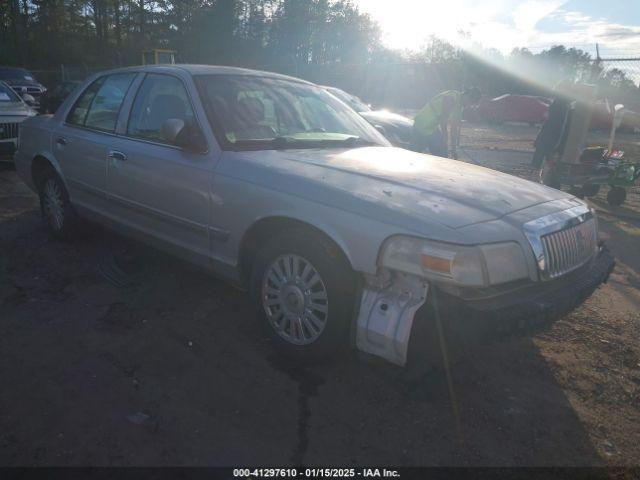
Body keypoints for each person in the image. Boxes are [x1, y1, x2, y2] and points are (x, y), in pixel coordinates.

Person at [412, 87, 481, 158]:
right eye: (471, 102)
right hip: (422, 123)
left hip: (431, 127)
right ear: (468, 96)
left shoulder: (460, 108)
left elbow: (453, 130)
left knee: (440, 154)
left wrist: (453, 150)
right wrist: (445, 138)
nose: (469, 105)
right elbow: (443, 119)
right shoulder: (453, 96)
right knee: (419, 154)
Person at [531, 80, 573, 169]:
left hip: (551, 132)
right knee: (546, 152)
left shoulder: (559, 103)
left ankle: (538, 168)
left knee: (542, 152)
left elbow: (553, 120)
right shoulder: (562, 104)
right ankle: (542, 169)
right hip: (553, 133)